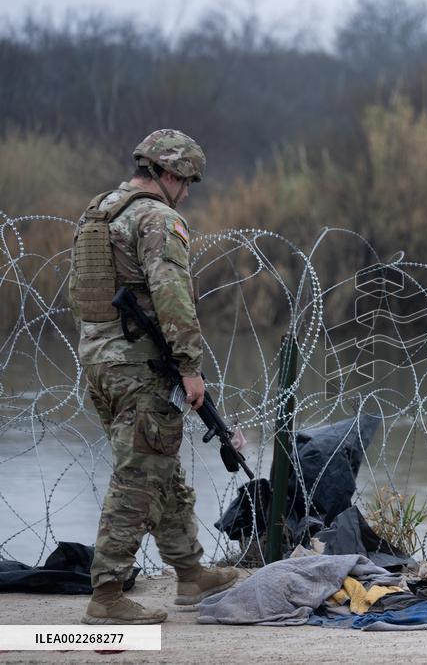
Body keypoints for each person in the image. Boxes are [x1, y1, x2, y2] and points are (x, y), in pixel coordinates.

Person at [68, 129, 238, 624]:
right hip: (137, 364)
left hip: (100, 356)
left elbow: (83, 292)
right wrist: (190, 367)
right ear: (167, 174)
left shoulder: (99, 211)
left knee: (159, 464)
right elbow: (173, 298)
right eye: (185, 181)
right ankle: (107, 594)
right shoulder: (158, 218)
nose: (186, 192)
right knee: (140, 474)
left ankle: (189, 573)